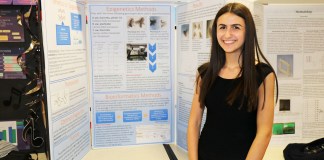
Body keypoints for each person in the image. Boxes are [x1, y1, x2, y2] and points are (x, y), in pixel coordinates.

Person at [187, 2, 278, 160]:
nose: (227, 34)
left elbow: (264, 132)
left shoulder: (262, 75)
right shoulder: (205, 73)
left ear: (248, 31)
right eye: (222, 27)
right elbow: (194, 123)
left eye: (236, 27)